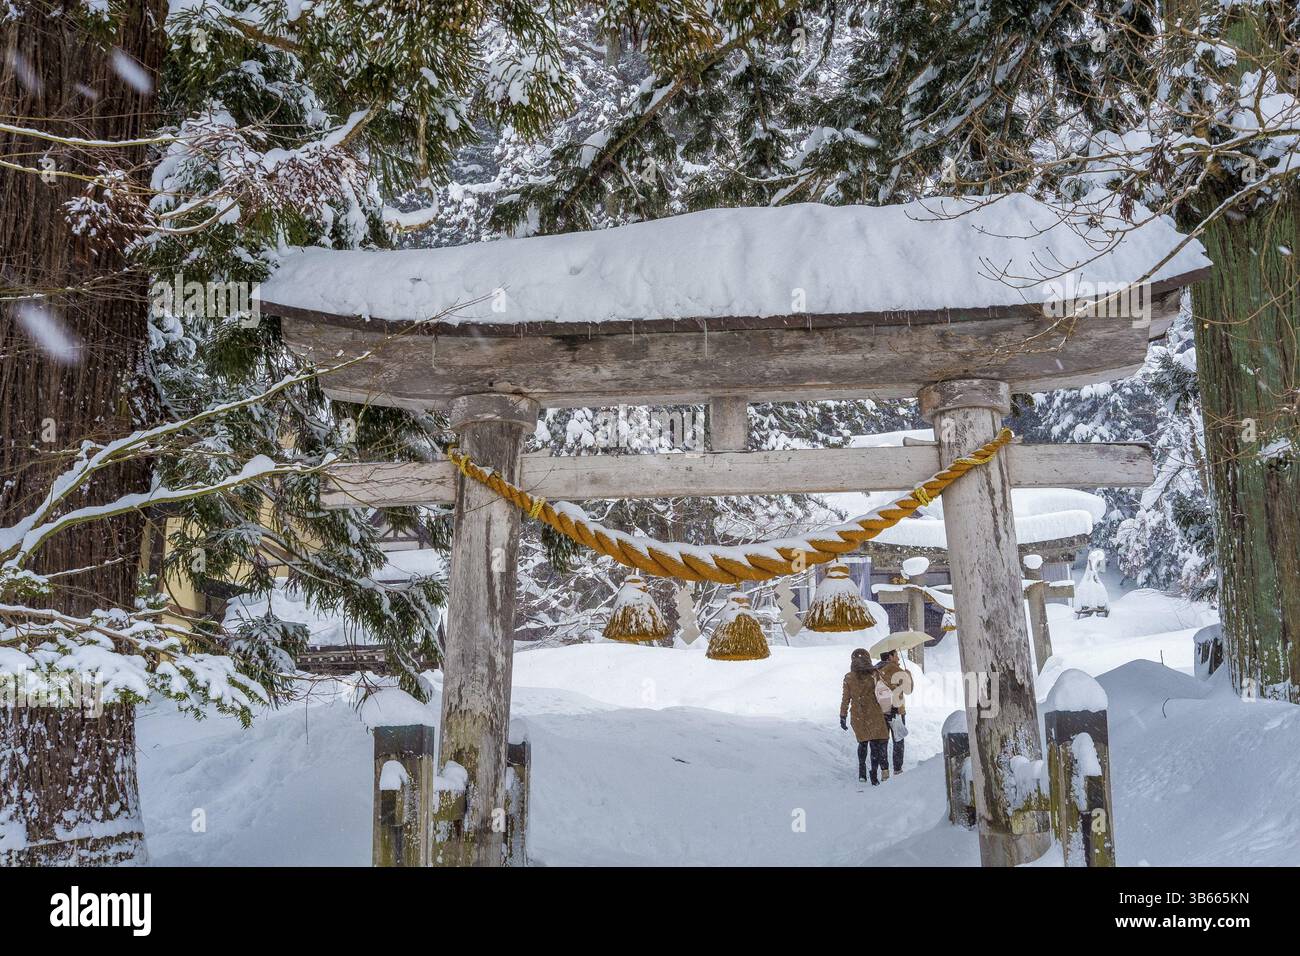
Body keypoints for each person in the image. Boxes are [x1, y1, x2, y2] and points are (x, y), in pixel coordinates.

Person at [839, 648, 891, 785]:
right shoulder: (874, 674)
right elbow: (883, 692)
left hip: (858, 714)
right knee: (874, 743)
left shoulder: (849, 677)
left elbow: (846, 698)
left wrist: (842, 715)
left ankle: (862, 771)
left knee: (862, 742)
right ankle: (874, 774)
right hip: (874, 712)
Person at [877, 649, 914, 774]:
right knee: (898, 740)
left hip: (881, 711)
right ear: (890, 656)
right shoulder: (896, 670)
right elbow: (909, 689)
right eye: (896, 655)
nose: (898, 658)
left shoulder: (875, 670)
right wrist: (908, 675)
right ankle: (897, 769)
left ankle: (884, 771)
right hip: (897, 710)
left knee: (882, 741)